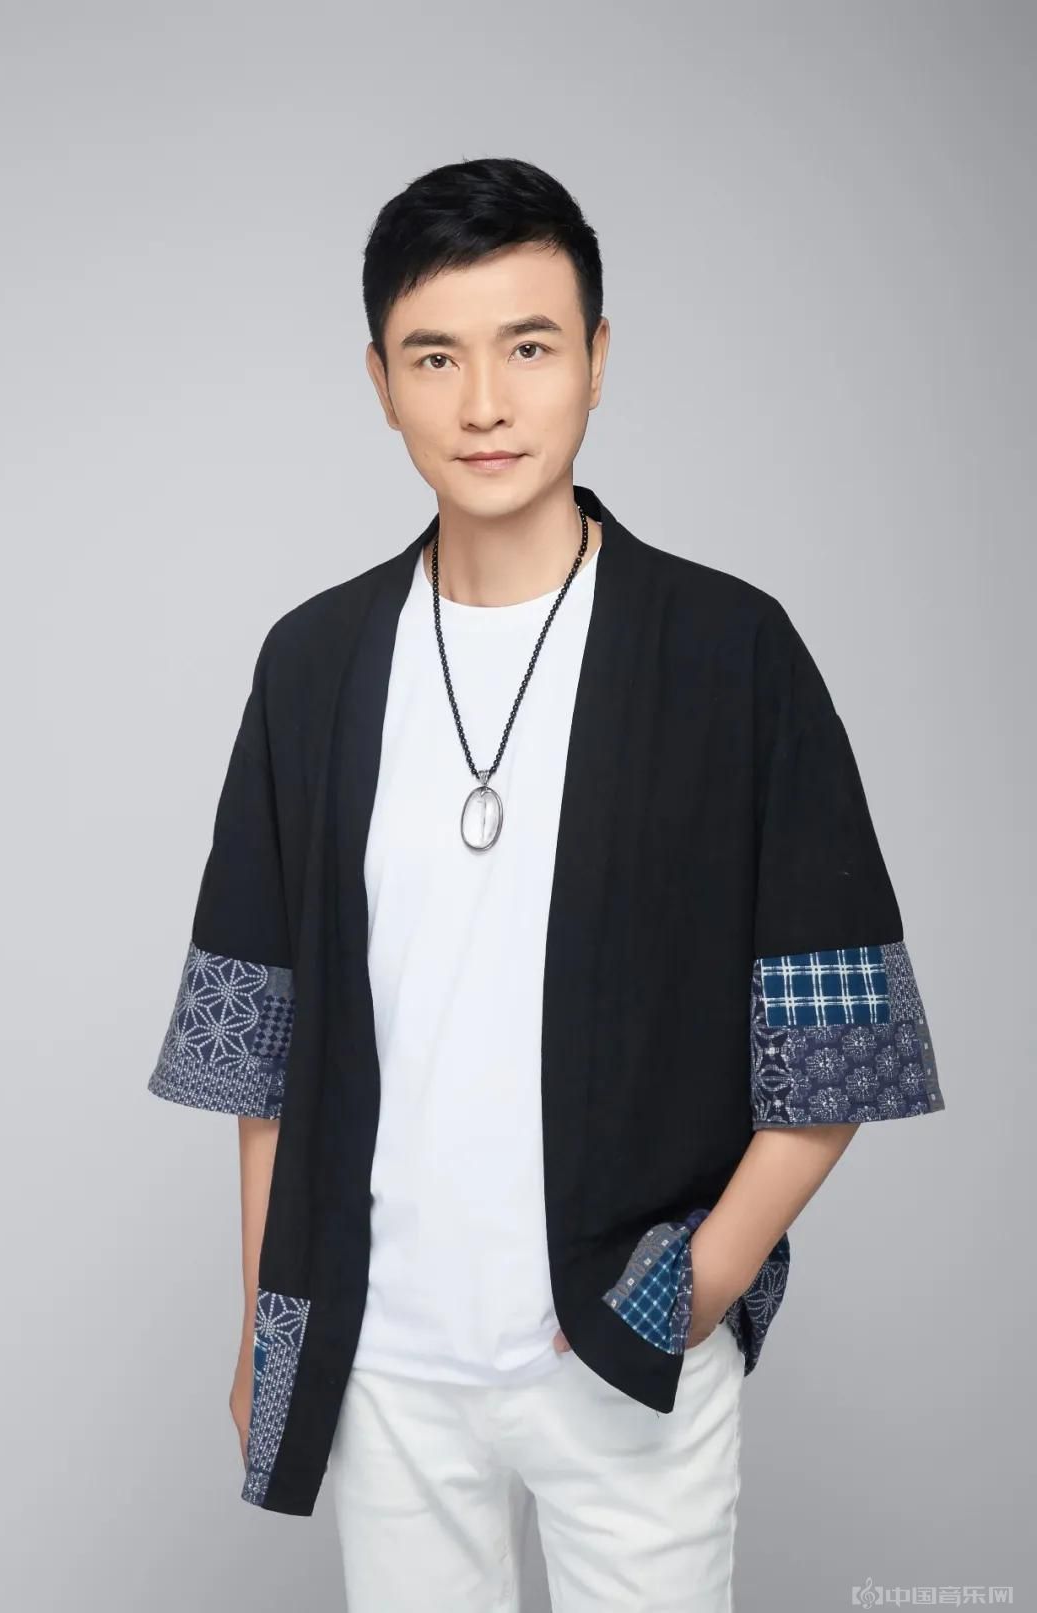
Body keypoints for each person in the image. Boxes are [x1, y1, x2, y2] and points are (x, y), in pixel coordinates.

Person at [148, 156, 945, 1612]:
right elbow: (261, 1045)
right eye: (433, 357)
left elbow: (841, 1044)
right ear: (380, 382)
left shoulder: (728, 652)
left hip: (619, 1346)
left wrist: (696, 1284)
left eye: (528, 347)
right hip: (383, 1357)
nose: (484, 403)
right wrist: (270, 1320)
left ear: (596, 358)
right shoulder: (313, 663)